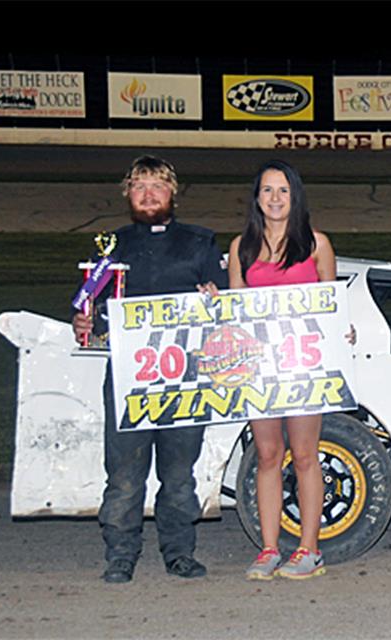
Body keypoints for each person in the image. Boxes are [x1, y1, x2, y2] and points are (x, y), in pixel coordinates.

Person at [72, 155, 228, 583]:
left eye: (157, 186)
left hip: (184, 381)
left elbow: (228, 312)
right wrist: (83, 322)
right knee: (124, 474)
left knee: (179, 475)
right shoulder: (111, 248)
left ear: (172, 192)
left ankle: (179, 552)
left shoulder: (200, 244)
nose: (148, 195)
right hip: (128, 382)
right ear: (127, 194)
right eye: (139, 186)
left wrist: (217, 297)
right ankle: (120, 554)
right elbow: (89, 311)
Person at [229, 160, 336, 580]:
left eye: (283, 191)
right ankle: (269, 547)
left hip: (304, 365)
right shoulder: (242, 247)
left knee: (305, 455)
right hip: (260, 367)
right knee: (268, 455)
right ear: (256, 197)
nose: (274, 199)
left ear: (296, 197)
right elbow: (235, 309)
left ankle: (310, 549)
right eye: (267, 190)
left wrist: (340, 336)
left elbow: (331, 304)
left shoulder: (316, 244)